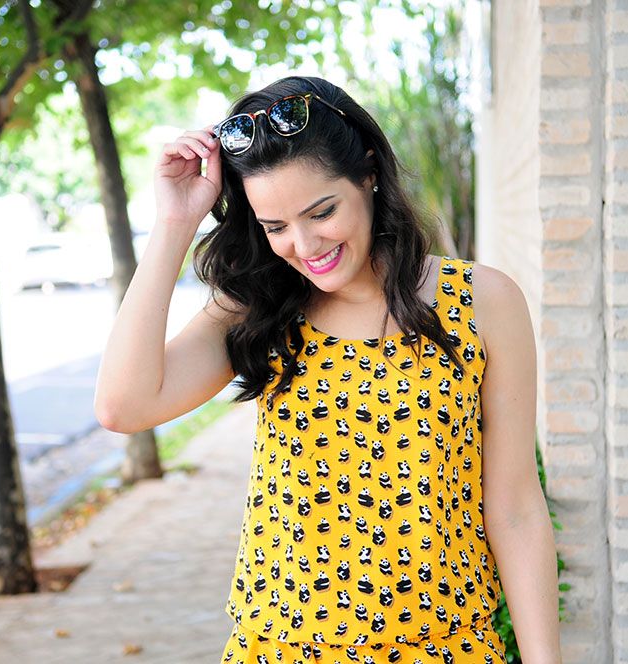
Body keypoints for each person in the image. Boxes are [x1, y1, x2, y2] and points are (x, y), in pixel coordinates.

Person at [93, 75, 562, 663]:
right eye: (275, 227)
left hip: (446, 648)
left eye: (321, 212)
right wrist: (174, 224)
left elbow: (515, 507)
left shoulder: (482, 302)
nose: (305, 244)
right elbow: (123, 406)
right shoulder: (258, 308)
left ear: (368, 173)